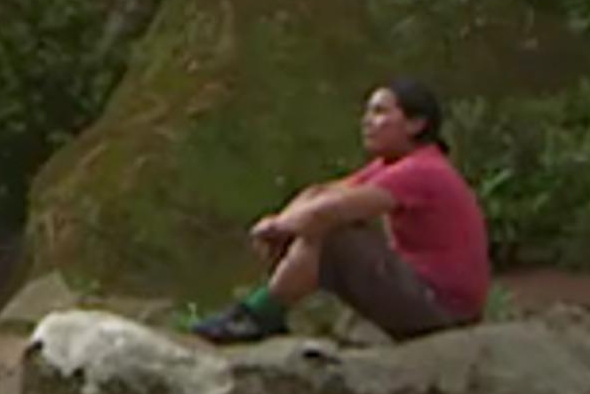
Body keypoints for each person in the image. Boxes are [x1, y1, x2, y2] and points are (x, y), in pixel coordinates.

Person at [190, 78, 491, 344]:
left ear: (415, 123)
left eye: (380, 113)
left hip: (443, 309)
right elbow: (320, 194)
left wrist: (278, 228)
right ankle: (265, 313)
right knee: (314, 224)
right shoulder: (394, 165)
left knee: (330, 230)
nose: (367, 122)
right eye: (368, 112)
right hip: (424, 295)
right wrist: (283, 222)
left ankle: (258, 315)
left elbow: (331, 210)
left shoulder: (421, 170)